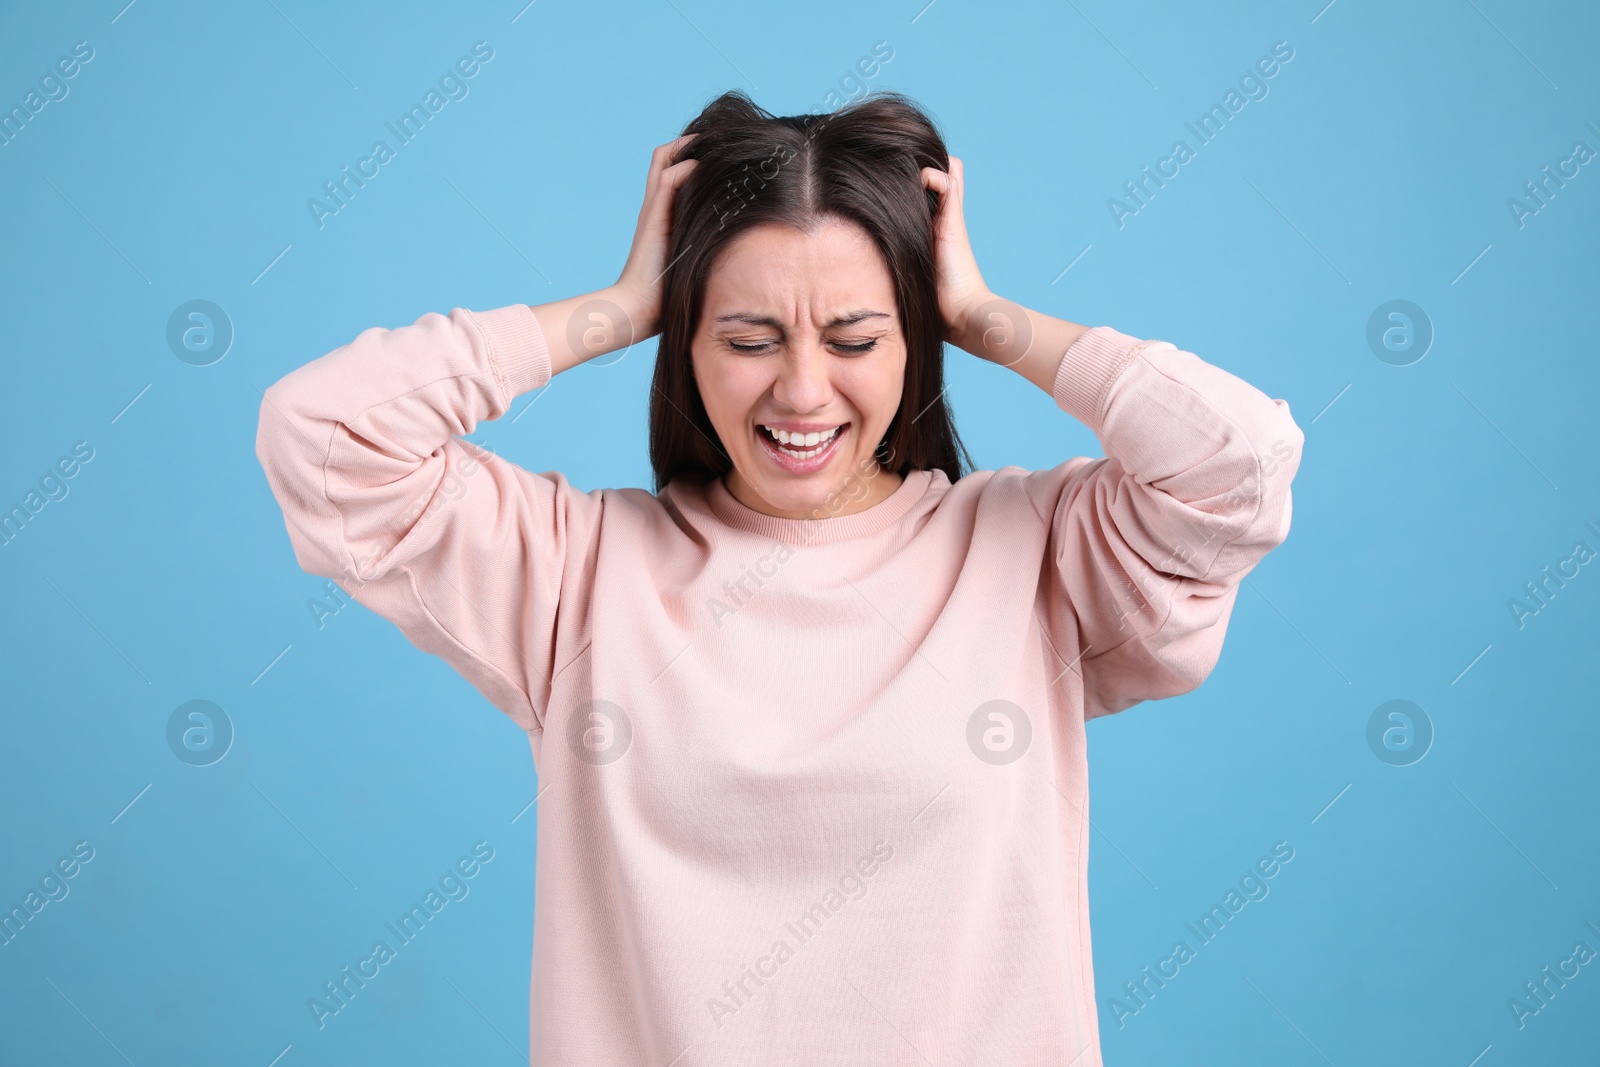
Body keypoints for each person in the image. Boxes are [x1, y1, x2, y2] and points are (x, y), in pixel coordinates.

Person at [256, 89, 1303, 1066]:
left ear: (917, 339)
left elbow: (1239, 462)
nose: (801, 390)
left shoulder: (1037, 551)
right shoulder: (573, 573)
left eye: (854, 337)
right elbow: (321, 431)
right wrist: (618, 309)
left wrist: (986, 317)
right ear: (685, 345)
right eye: (747, 337)